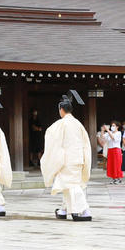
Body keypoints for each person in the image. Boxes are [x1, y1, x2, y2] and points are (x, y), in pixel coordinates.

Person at [40, 90, 92, 222]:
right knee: (67, 185)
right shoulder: (78, 124)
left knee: (72, 185)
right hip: (78, 159)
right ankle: (64, 209)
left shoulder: (60, 124)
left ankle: (84, 210)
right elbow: (86, 144)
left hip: (66, 160)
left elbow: (53, 142)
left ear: (61, 109)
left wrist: (53, 159)